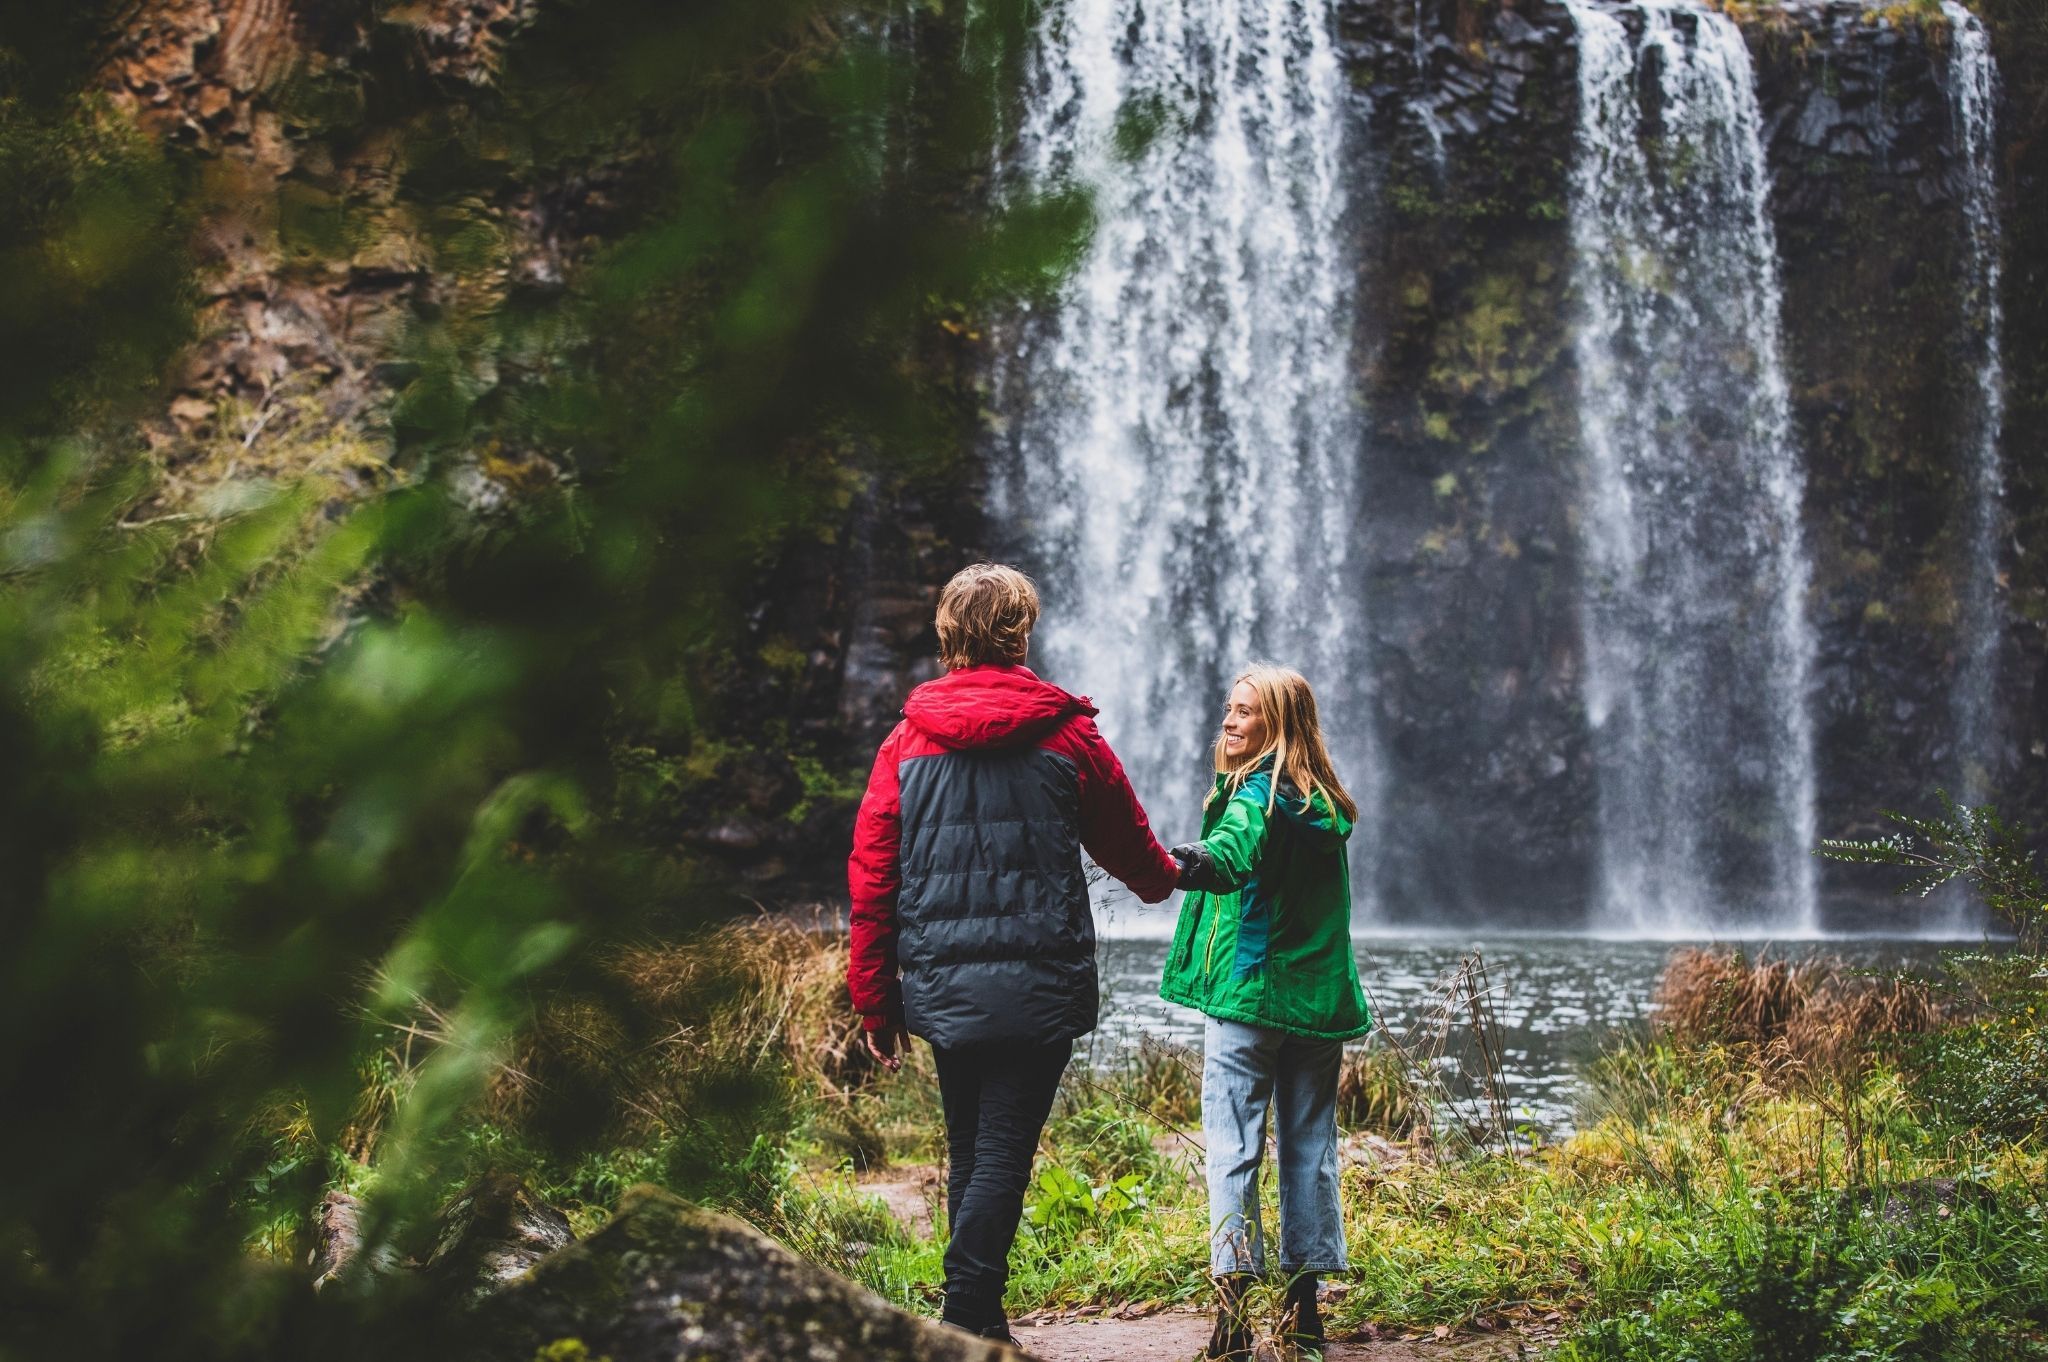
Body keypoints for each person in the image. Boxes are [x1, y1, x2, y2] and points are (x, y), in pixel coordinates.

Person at [846, 563, 1180, 1343]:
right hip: (1040, 979)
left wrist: (875, 1000)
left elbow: (871, 879)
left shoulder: (904, 743)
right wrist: (1167, 880)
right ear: (1019, 630)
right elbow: (1130, 845)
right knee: (1000, 1150)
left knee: (972, 1144)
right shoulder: (1067, 734)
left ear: (947, 635)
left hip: (942, 984)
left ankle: (978, 1320)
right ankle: (966, 1314)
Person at [1159, 664, 1371, 1362]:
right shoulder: (1325, 804)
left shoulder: (1257, 791)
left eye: (1245, 711)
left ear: (1278, 725)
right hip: (1313, 1004)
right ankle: (1304, 1313)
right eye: (1229, 707)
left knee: (1232, 1150)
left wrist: (1176, 863)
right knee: (1310, 1150)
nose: (1229, 720)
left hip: (1249, 997)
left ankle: (1232, 1317)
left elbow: (1234, 849)